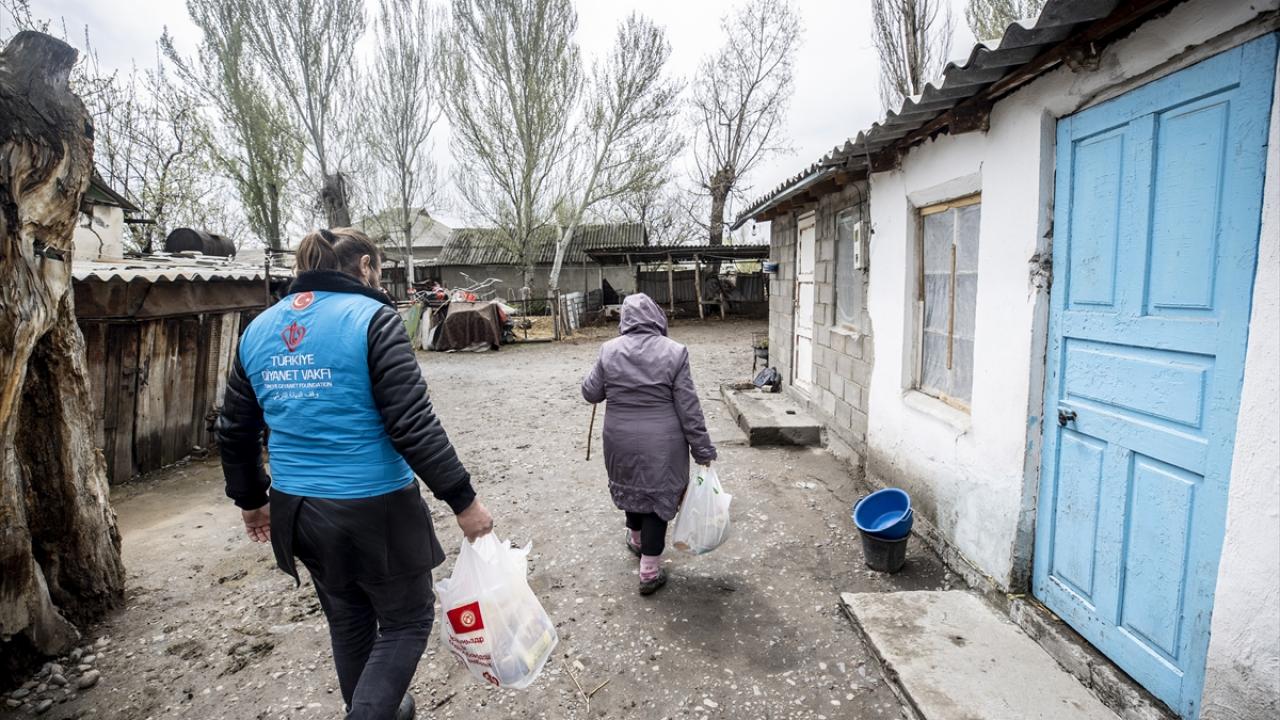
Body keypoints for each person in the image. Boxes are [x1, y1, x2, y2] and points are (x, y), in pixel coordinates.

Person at [216, 228, 493, 720]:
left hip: (297, 511)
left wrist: (252, 500)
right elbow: (411, 424)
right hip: (373, 506)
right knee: (407, 620)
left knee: (348, 621)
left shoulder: (258, 329)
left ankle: (377, 708)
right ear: (365, 266)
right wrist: (464, 501)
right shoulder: (372, 319)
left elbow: (235, 428)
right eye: (379, 267)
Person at [581, 293, 717, 595]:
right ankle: (649, 571)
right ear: (657, 317)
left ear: (624, 320)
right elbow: (689, 407)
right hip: (663, 443)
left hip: (619, 439)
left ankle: (637, 540)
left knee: (632, 486)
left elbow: (591, 393)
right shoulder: (675, 352)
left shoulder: (609, 350)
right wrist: (702, 449)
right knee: (656, 500)